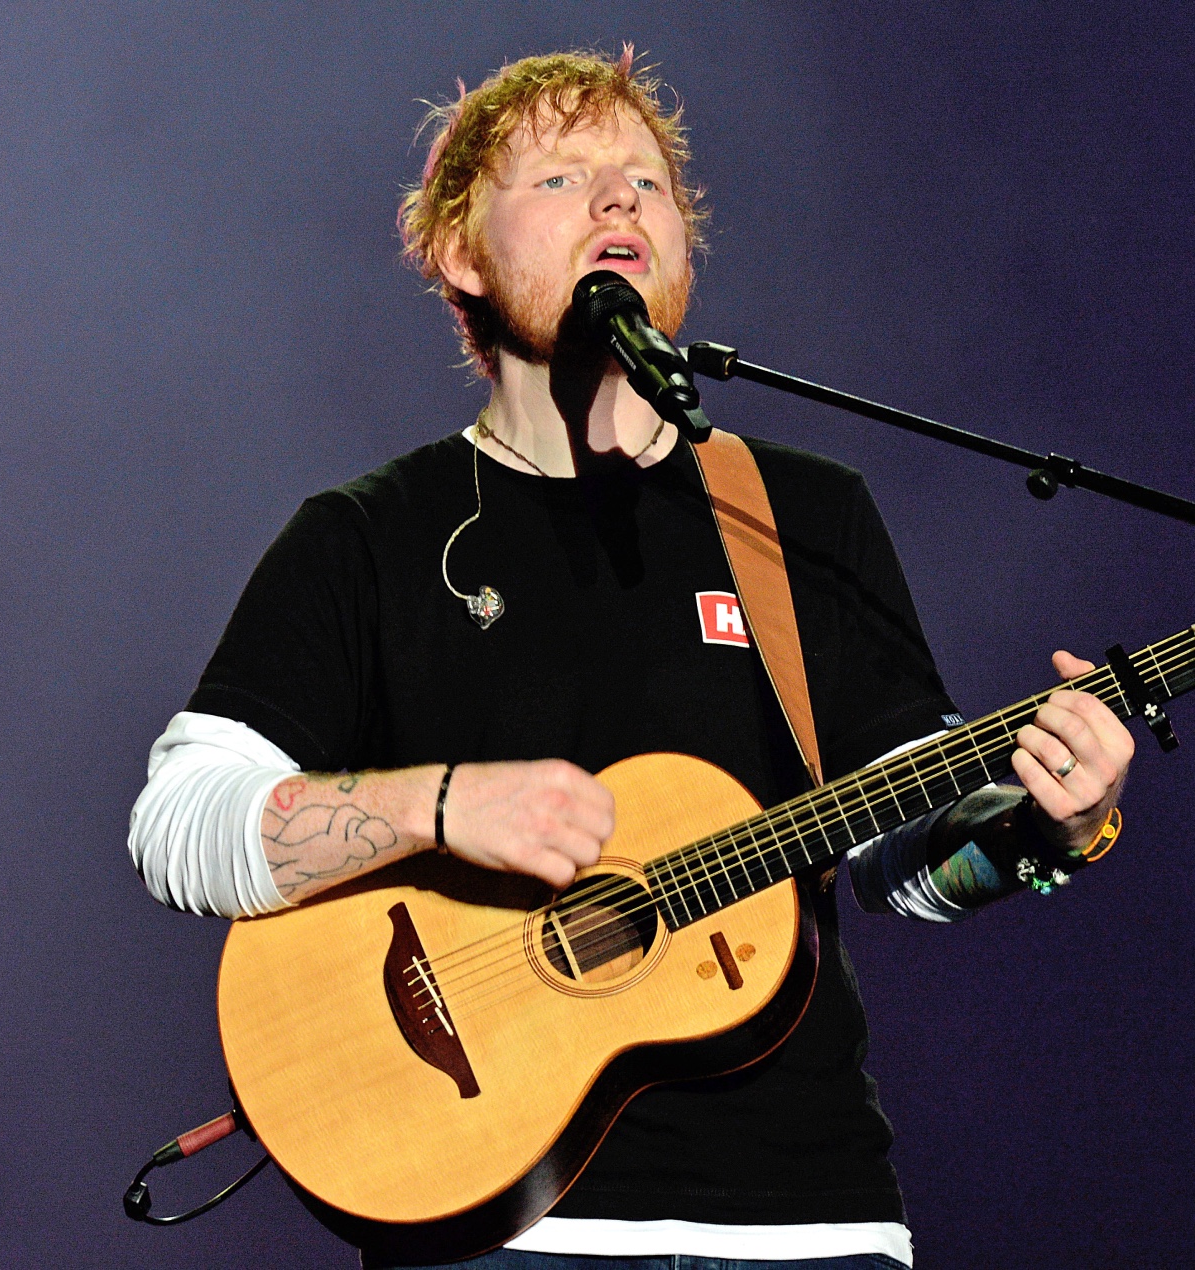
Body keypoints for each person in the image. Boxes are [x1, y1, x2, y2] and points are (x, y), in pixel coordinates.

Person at [129, 48, 1136, 1270]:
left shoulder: (799, 517)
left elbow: (902, 858)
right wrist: (435, 805)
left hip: (810, 1227)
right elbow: (179, 823)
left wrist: (1044, 828)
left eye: (645, 182)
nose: (617, 199)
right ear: (457, 252)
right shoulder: (368, 536)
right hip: (501, 1225)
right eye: (560, 177)